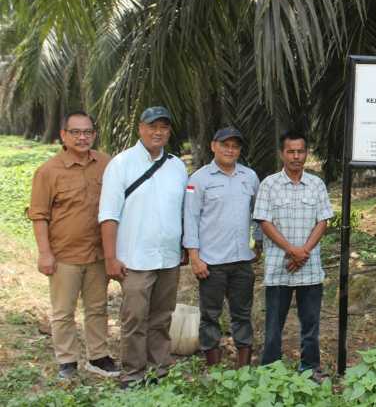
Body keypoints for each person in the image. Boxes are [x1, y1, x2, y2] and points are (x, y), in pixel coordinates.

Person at [98, 106, 188, 388]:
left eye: (163, 127)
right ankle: (133, 375)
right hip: (134, 258)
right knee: (134, 319)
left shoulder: (177, 166)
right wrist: (111, 258)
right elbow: (108, 214)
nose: (158, 132)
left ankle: (158, 372)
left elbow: (183, 210)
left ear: (169, 131)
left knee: (161, 318)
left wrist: (184, 245)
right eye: (152, 126)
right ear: (140, 128)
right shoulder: (121, 164)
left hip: (168, 258)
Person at [27, 111, 119, 379]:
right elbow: (39, 216)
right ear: (63, 135)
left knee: (97, 307)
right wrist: (45, 253)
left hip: (98, 253)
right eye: (76, 132)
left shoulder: (106, 164)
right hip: (64, 254)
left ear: (94, 134)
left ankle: (98, 357)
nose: (82, 137)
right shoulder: (48, 171)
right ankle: (67, 361)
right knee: (63, 312)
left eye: (88, 132)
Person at [253, 130, 333, 380]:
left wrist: (303, 252)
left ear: (306, 153)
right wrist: (292, 251)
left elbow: (323, 221)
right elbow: (265, 222)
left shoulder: (316, 184)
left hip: (309, 269)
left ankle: (309, 369)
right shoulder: (269, 184)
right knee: (274, 325)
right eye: (291, 151)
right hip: (279, 268)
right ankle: (271, 372)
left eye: (301, 151)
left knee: (310, 325)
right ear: (282, 154)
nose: (296, 156)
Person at [183, 127, 260, 368]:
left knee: (242, 315)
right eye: (225, 144)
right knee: (210, 317)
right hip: (211, 263)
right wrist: (194, 257)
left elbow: (258, 213)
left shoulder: (249, 177)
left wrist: (257, 242)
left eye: (235, 146)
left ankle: (243, 367)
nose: (230, 150)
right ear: (213, 146)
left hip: (242, 261)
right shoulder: (199, 179)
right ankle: (213, 369)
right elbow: (190, 218)